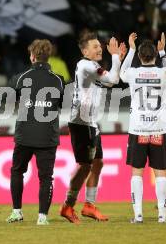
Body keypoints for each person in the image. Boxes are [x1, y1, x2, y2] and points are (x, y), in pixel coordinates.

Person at [60, 31, 126, 224]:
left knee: (97, 163)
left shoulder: (92, 67)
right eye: (96, 47)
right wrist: (115, 57)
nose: (100, 49)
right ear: (85, 51)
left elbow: (111, 81)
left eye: (100, 46)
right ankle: (68, 205)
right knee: (85, 166)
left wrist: (117, 60)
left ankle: (89, 205)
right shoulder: (86, 65)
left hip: (91, 122)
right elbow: (113, 80)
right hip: (81, 122)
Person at [6, 39, 64, 226]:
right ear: (49, 57)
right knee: (46, 177)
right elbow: (61, 105)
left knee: (17, 171)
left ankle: (16, 212)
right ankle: (42, 217)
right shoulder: (58, 80)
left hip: (24, 134)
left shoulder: (21, 78)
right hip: (47, 135)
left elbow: (12, 100)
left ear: (32, 56)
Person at [120, 32, 166, 223]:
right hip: (159, 129)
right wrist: (163, 53)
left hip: (138, 130)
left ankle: (138, 215)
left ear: (139, 57)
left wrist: (131, 50)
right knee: (160, 172)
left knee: (137, 171)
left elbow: (121, 72)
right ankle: (162, 215)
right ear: (154, 55)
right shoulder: (163, 73)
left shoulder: (133, 73)